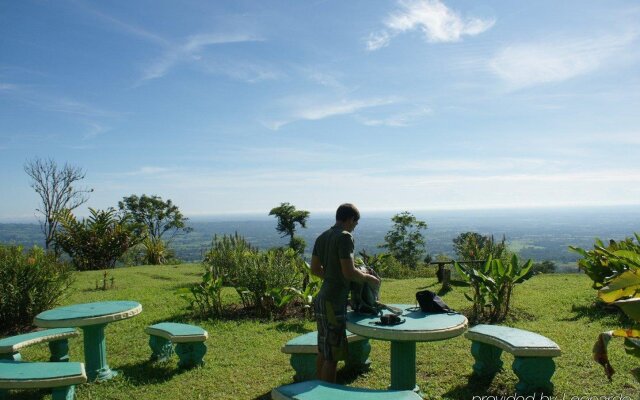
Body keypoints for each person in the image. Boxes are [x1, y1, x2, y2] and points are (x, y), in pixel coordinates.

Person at [309, 203, 380, 383]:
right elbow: (349, 272)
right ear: (350, 219)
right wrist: (368, 278)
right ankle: (327, 395)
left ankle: (319, 391)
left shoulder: (322, 236)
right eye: (355, 224)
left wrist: (333, 276)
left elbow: (315, 270)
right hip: (333, 302)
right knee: (332, 356)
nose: (354, 227)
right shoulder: (345, 237)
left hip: (321, 299)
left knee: (323, 351)